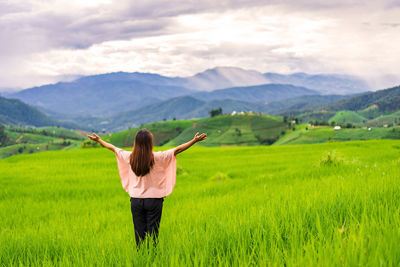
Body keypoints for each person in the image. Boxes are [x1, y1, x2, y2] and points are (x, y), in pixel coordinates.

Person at [87, 129, 207, 247]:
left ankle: (142, 257)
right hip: (154, 201)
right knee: (153, 234)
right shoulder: (158, 157)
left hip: (136, 200)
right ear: (150, 143)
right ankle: (151, 258)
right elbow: (178, 149)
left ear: (136, 143)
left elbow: (113, 148)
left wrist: (99, 140)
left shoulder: (130, 157)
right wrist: (194, 141)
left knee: (139, 234)